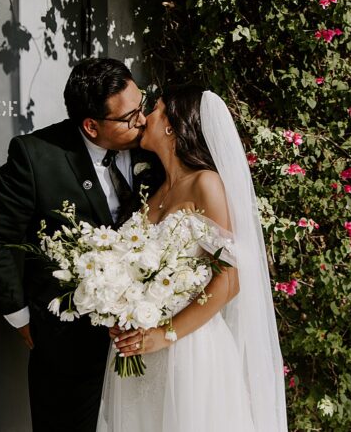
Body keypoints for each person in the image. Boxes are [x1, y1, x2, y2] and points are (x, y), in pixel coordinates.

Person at [0, 58, 161, 432]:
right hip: (67, 348)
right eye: (129, 117)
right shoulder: (35, 156)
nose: (142, 120)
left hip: (147, 342)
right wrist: (21, 316)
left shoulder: (154, 147)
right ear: (91, 125)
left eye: (144, 104)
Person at [96, 86, 288, 432]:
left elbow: (229, 281)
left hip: (188, 350)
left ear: (172, 124)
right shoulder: (154, 191)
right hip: (140, 351)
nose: (142, 118)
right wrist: (120, 308)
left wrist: (164, 334)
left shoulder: (206, 184)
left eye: (152, 109)